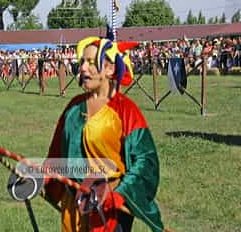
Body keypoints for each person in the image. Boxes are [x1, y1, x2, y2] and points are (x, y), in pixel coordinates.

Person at [44, 36, 165, 232]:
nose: (83, 68)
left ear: (109, 69)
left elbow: (145, 161)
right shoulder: (73, 107)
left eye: (91, 62)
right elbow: (57, 153)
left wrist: (121, 194)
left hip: (108, 211)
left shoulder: (126, 110)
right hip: (73, 207)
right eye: (82, 61)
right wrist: (42, 176)